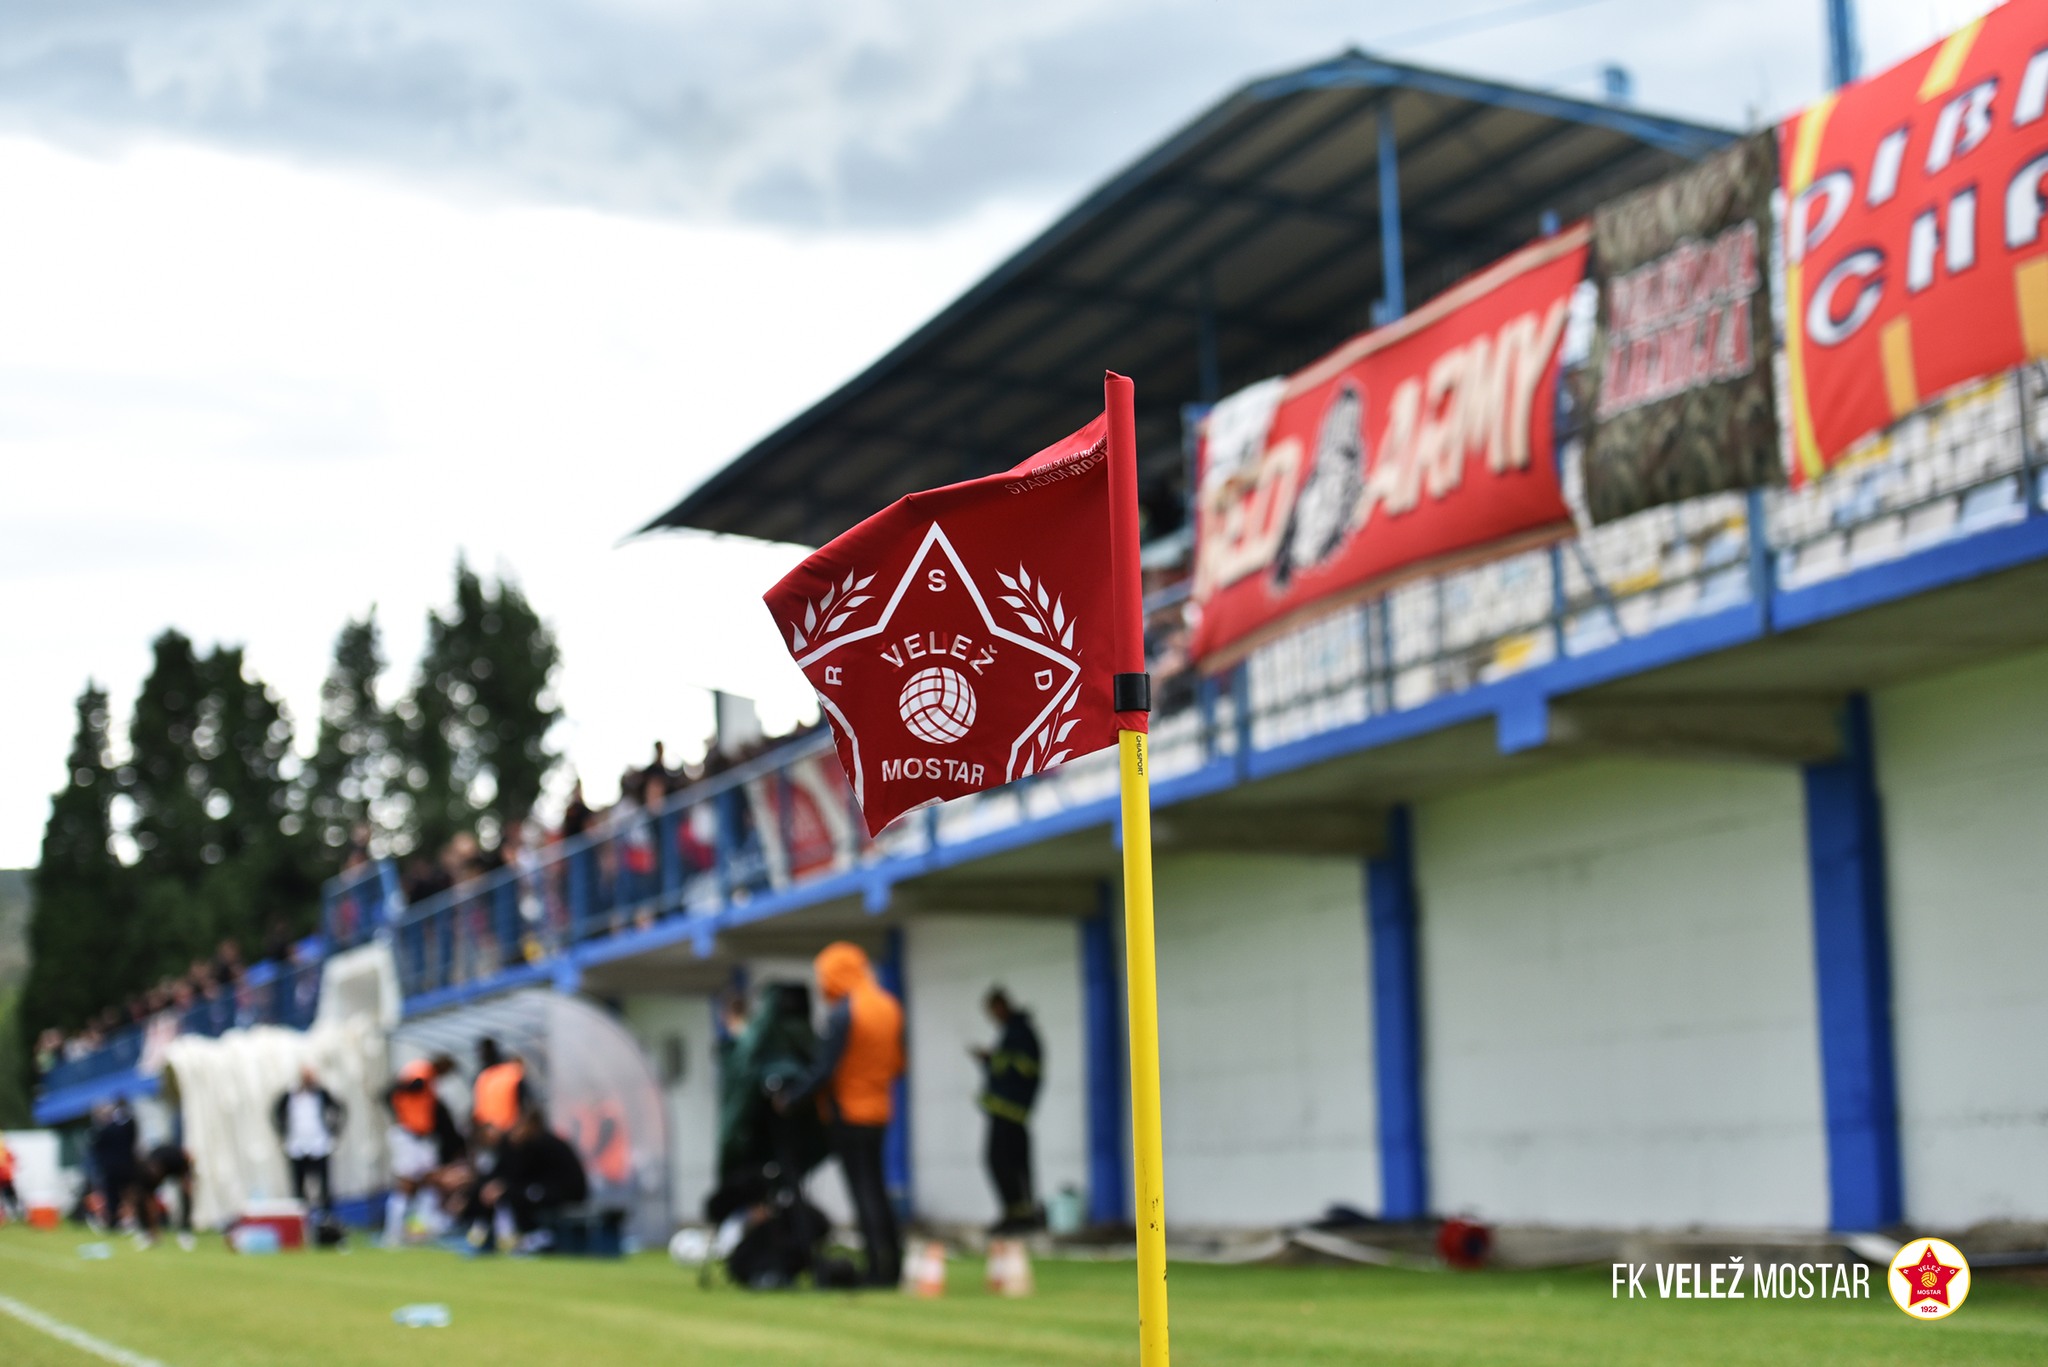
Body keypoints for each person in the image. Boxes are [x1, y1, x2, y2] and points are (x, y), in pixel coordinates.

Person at [778, 942, 905, 1287]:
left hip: (849, 1113)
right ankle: (894, 1264)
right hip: (880, 1109)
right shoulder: (889, 1006)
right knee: (878, 1188)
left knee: (863, 1192)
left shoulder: (845, 1012)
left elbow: (825, 1069)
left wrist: (791, 1098)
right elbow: (897, 1062)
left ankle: (878, 1270)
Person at [973, 986, 1044, 1233]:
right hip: (1007, 1112)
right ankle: (1016, 1214)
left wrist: (991, 1060)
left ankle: (1020, 1216)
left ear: (1002, 1005)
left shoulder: (1019, 1033)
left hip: (1010, 1112)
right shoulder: (1012, 1032)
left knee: (1003, 1161)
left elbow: (1021, 1068)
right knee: (1010, 1163)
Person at [478, 1108, 589, 1254]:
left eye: (521, 1125)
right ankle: (496, 1235)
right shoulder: (526, 1145)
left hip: (567, 1192)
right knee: (513, 1193)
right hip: (551, 1188)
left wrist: (503, 1187)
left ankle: (534, 1236)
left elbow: (523, 1176)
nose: (516, 1130)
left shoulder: (544, 1143)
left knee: (520, 1195)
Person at [384, 1052, 465, 1245]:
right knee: (406, 1184)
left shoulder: (430, 1080)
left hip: (422, 1137)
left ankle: (425, 1226)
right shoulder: (423, 1071)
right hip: (408, 1135)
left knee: (430, 1179)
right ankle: (393, 1233)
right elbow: (393, 1090)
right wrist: (401, 1113)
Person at [272, 1066, 346, 1221]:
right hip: (297, 1145)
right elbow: (276, 1113)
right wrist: (282, 1132)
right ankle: (301, 1221)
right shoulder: (290, 1094)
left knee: (324, 1185)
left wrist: (334, 1131)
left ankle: (327, 1220)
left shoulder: (321, 1093)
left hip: (319, 1144)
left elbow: (339, 1108)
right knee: (298, 1186)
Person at [88, 1098, 141, 1234]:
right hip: (126, 1167)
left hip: (112, 1169)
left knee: (114, 1196)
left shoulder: (104, 1131)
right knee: (127, 1195)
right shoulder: (125, 1128)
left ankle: (116, 1221)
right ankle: (127, 1220)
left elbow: (96, 1149)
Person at [141, 1143, 196, 1249]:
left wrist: (188, 1179)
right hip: (157, 1169)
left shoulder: (174, 1159)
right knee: (145, 1200)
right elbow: (148, 1200)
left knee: (187, 1193)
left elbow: (188, 1158)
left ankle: (185, 1229)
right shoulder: (146, 1171)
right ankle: (149, 1231)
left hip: (180, 1166)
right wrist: (153, 1227)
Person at [0, 1134, 21, 1223]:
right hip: (4, 1178)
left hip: (6, 1178)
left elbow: (14, 1161)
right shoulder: (6, 1152)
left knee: (10, 1196)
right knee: (7, 1197)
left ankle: (14, 1213)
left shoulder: (6, 1152)